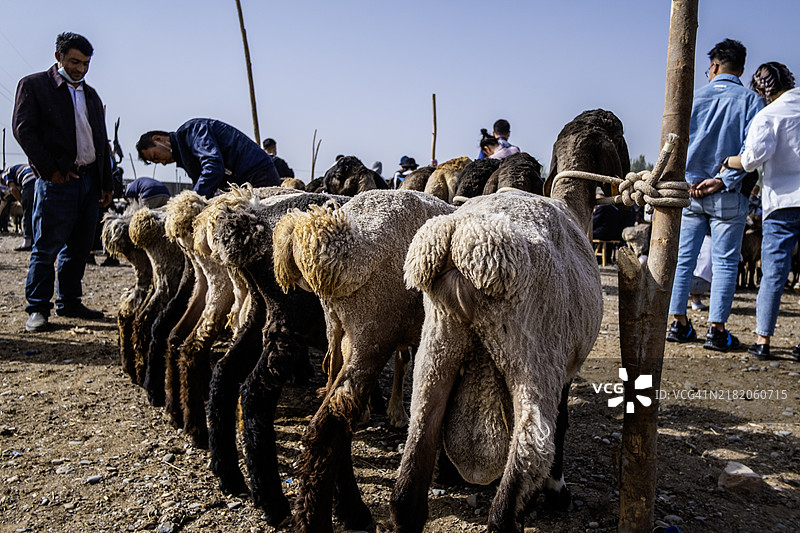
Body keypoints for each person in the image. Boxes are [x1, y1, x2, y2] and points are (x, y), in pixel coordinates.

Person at [666, 38, 763, 351]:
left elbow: (676, 143)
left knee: (683, 260)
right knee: (724, 263)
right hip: (728, 193)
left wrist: (689, 180)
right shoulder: (751, 101)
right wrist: (722, 180)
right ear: (741, 68)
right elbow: (752, 150)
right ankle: (717, 330)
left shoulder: (694, 98)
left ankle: (678, 323)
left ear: (714, 66)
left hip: (691, 191)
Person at [12, 32, 114, 332]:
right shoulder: (34, 86)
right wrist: (51, 170)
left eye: (85, 63)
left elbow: (100, 141)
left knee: (79, 247)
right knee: (46, 248)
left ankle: (69, 301)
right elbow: (23, 130)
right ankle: (37, 309)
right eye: (74, 61)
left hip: (89, 182)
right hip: (56, 182)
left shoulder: (92, 95)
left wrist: (106, 184)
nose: (80, 69)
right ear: (58, 57)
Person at [720, 62, 800, 361]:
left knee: (773, 274)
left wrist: (729, 161)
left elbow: (753, 159)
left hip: (782, 203)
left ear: (761, 89)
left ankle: (763, 340)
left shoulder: (767, 115)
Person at [136, 118, 280, 198]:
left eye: (156, 156)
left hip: (258, 175)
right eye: (156, 162)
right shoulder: (185, 155)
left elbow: (213, 166)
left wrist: (193, 200)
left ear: (158, 139)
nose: (162, 162)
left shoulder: (193, 132)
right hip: (243, 183)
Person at [1, 164, 35, 249]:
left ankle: (27, 242)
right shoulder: (16, 169)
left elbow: (13, 189)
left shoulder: (5, 174)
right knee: (36, 211)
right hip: (38, 178)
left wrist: (22, 202)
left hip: (29, 181)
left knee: (27, 212)